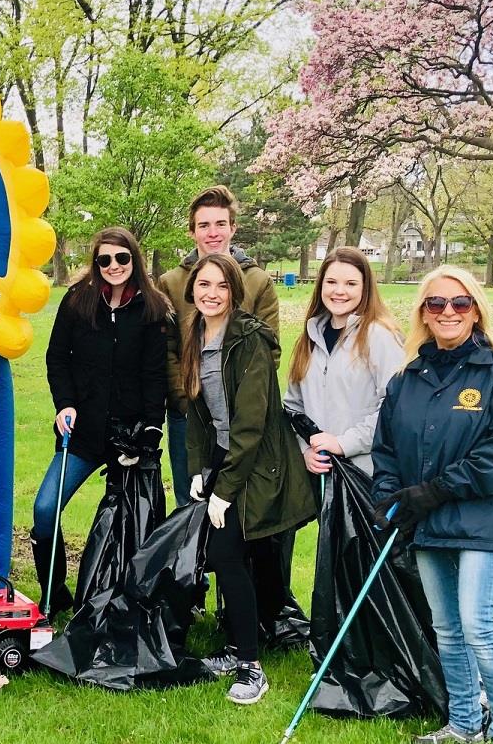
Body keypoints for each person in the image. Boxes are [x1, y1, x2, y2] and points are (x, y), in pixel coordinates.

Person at [372, 265, 493, 744]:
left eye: (459, 303)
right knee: (447, 629)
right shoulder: (407, 378)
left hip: (482, 517)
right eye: (436, 303)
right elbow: (387, 448)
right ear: (423, 312)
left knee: (478, 625)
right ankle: (465, 723)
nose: (448, 312)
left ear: (476, 310)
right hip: (426, 518)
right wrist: (389, 497)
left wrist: (436, 490)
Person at [183, 254, 314, 705]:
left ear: (234, 291)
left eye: (220, 286)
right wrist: (201, 469)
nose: (211, 293)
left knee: (225, 551)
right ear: (193, 289)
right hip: (223, 454)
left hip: (257, 461)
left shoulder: (251, 339)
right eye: (204, 285)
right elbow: (197, 414)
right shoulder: (195, 336)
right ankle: (241, 644)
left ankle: (250, 667)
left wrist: (224, 490)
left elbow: (251, 424)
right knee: (239, 555)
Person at [36, 226, 169, 616]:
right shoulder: (77, 301)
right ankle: (53, 590)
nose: (114, 266)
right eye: (105, 259)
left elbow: (155, 376)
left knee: (134, 522)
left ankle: (125, 597)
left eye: (122, 258)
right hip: (82, 433)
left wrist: (150, 428)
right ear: (95, 264)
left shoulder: (152, 308)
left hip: (130, 436)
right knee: (46, 508)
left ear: (134, 259)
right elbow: (56, 358)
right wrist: (64, 404)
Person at [159, 185, 278, 507]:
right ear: (192, 231)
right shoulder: (171, 283)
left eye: (220, 224)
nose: (213, 233)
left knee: (235, 503)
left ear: (233, 228)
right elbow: (167, 350)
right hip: (189, 411)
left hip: (241, 418)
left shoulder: (257, 281)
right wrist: (187, 400)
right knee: (191, 500)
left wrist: (241, 405)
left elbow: (270, 352)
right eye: (204, 225)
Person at [283, 247, 404, 476]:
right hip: (322, 474)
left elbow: (395, 407)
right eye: (331, 282)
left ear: (365, 288)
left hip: (366, 474)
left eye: (350, 284)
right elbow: (293, 406)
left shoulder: (380, 336)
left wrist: (344, 444)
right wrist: (305, 449)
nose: (339, 291)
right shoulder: (310, 337)